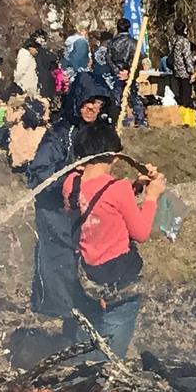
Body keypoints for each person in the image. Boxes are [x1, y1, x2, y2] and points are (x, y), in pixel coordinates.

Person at [62, 120, 165, 361]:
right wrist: (151, 196)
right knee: (110, 355)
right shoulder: (117, 188)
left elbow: (100, 206)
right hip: (120, 280)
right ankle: (102, 388)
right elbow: (140, 233)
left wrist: (135, 187)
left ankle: (75, 388)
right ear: (115, 157)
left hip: (86, 277)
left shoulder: (70, 184)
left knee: (85, 345)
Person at [28, 73, 115, 337]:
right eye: (89, 102)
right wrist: (70, 179)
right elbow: (39, 172)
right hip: (54, 207)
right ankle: (63, 312)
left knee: (88, 256)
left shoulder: (98, 132)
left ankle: (88, 312)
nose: (93, 108)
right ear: (77, 100)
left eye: (99, 104)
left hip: (83, 207)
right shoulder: (59, 134)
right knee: (60, 257)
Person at [107, 18, 146, 128]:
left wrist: (117, 71)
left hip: (117, 73)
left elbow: (108, 59)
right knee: (134, 96)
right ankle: (140, 120)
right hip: (130, 72)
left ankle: (115, 119)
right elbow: (139, 58)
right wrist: (129, 71)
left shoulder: (112, 43)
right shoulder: (133, 42)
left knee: (116, 97)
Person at [15, 30, 55, 101]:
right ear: (30, 47)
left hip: (31, 87)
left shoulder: (31, 56)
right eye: (36, 49)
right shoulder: (24, 55)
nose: (37, 51)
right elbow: (20, 71)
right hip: (25, 87)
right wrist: (19, 84)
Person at [169, 20, 196, 108]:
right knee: (186, 92)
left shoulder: (172, 40)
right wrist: (191, 71)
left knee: (180, 90)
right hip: (184, 71)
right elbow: (187, 57)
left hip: (176, 69)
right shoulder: (184, 41)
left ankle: (181, 107)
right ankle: (186, 111)